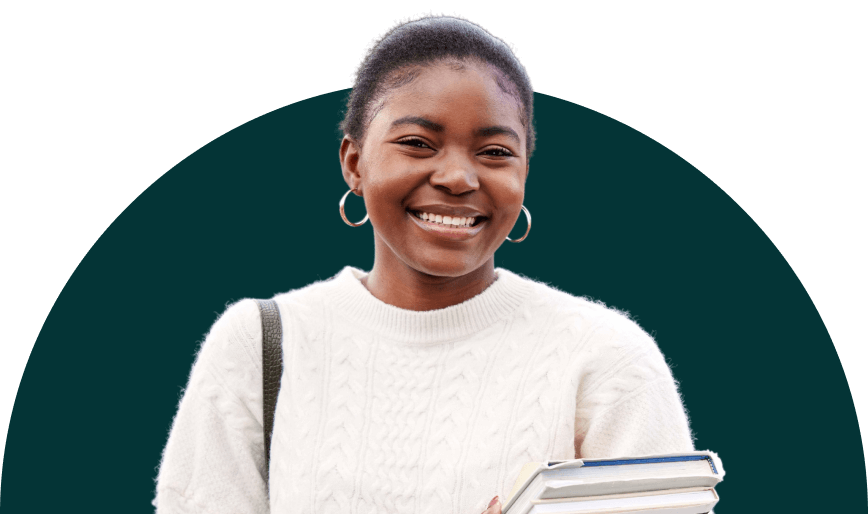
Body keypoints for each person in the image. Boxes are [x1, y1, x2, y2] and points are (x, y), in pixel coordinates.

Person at [152, 14, 695, 514]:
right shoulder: (262, 345)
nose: (459, 177)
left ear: (525, 172)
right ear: (354, 163)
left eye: (496, 152)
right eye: (417, 143)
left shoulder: (607, 360)